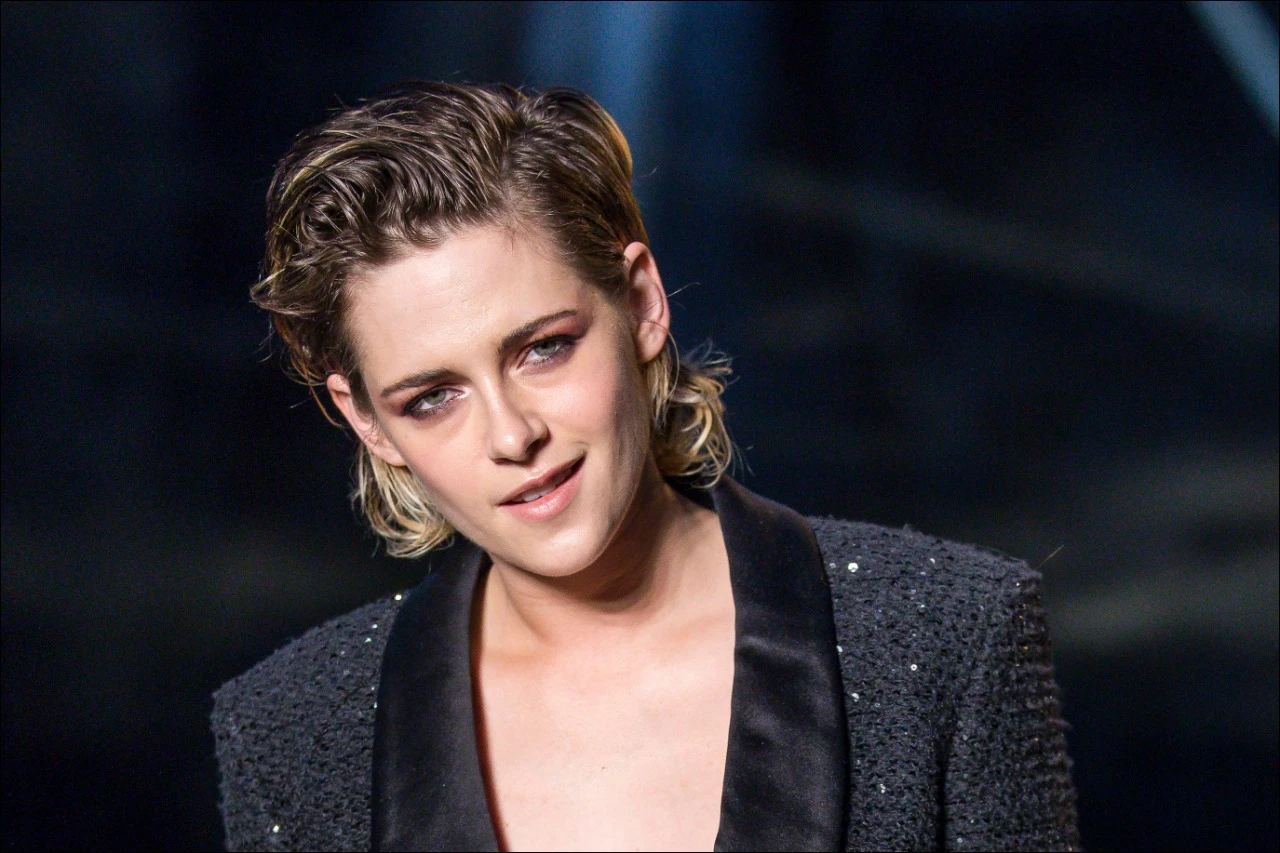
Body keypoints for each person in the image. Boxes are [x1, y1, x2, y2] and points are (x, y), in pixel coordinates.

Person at [212, 82, 1079, 852]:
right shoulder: (292, 732)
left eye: (543, 348)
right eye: (432, 397)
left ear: (641, 302)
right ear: (367, 419)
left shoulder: (948, 636)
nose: (511, 434)